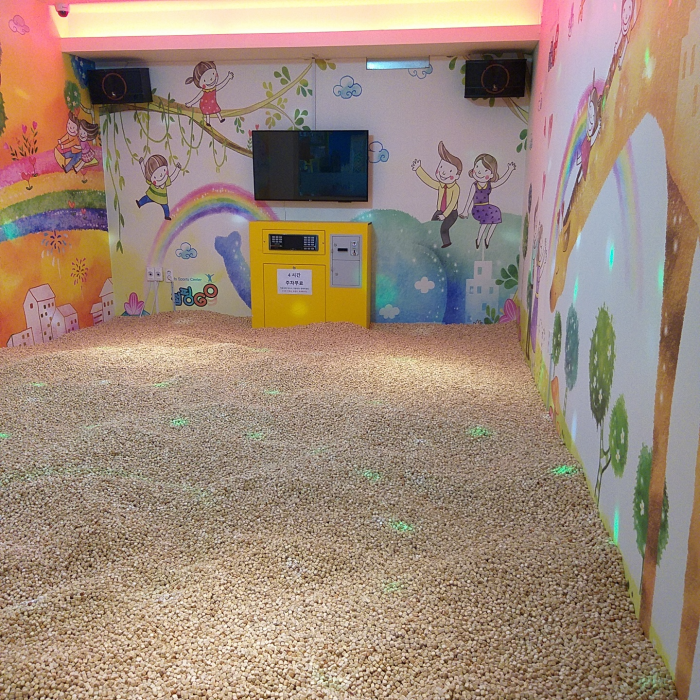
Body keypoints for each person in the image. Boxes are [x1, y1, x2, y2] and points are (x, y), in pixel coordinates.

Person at [411, 141, 462, 248]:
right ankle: (428, 242)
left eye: (449, 171)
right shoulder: (440, 185)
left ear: (456, 176)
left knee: (444, 228)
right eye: (441, 167)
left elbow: (452, 203)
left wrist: (445, 215)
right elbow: (429, 181)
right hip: (440, 210)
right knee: (432, 225)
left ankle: (447, 243)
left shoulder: (455, 188)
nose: (443, 172)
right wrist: (418, 169)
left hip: (451, 213)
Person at [460, 154, 516, 249]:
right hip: (477, 209)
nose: (479, 172)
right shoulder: (474, 186)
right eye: (477, 167)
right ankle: (478, 239)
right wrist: (465, 211)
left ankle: (487, 238)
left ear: (491, 175)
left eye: (485, 171)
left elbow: (501, 181)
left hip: (487, 207)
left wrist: (509, 170)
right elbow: (469, 198)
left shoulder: (489, 185)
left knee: (496, 214)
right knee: (486, 220)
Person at [185, 61, 234, 126]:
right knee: (207, 113)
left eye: (213, 74)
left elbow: (222, 85)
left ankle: (220, 119)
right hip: (205, 103)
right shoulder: (204, 91)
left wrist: (228, 78)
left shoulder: (214, 88)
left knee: (217, 110)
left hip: (213, 103)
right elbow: (197, 98)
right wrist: (190, 103)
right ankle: (208, 122)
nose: (211, 79)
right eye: (204, 80)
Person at [136, 154, 182, 220]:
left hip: (162, 198)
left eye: (164, 170)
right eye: (155, 177)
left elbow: (172, 178)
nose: (161, 176)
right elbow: (145, 174)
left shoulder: (166, 180)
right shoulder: (151, 179)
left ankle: (167, 216)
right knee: (146, 198)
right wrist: (142, 164)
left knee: (165, 207)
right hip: (152, 194)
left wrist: (177, 169)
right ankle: (139, 203)